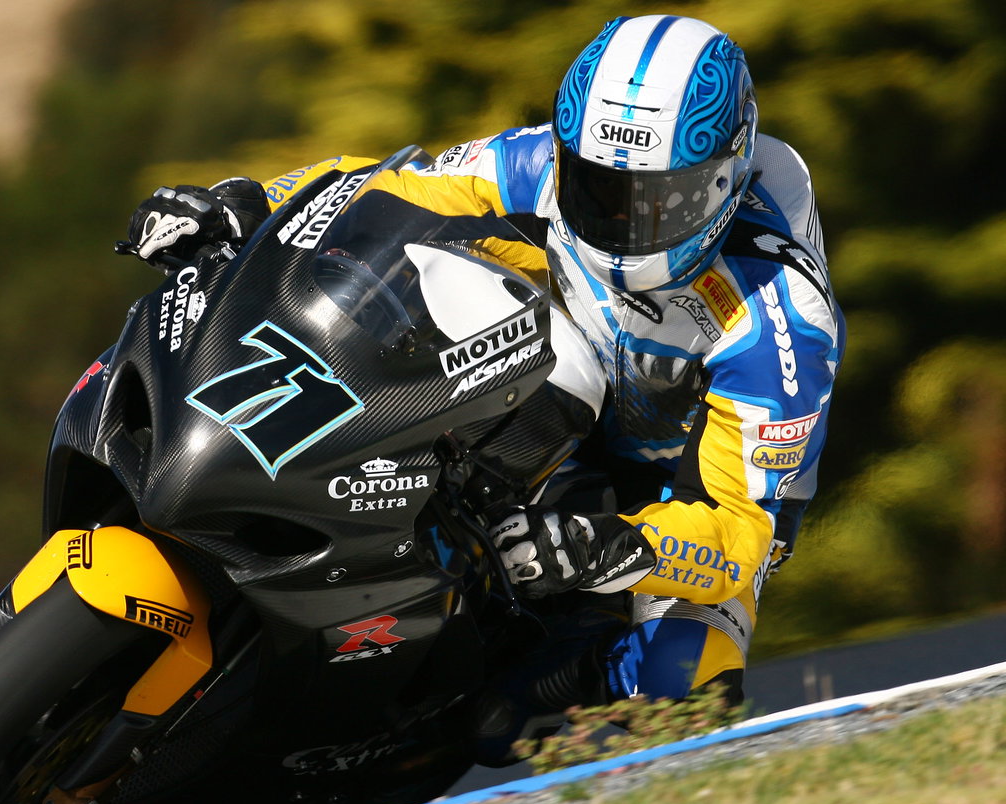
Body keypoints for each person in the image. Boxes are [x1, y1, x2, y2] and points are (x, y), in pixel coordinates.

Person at [121, 15, 844, 721]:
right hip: (555, 386)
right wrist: (242, 202)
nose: (622, 222)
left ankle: (551, 696)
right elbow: (386, 188)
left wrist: (617, 544)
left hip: (669, 505)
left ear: (722, 183)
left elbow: (745, 532)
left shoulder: (779, 317)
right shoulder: (539, 163)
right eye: (597, 189)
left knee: (686, 685)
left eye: (658, 203)